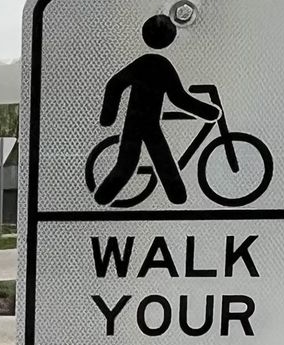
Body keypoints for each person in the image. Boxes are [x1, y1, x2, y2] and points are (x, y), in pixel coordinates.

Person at [94, 14, 220, 206]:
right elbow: (179, 98)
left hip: (139, 121)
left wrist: (109, 116)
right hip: (143, 122)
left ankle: (104, 197)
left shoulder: (145, 63)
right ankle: (175, 197)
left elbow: (115, 85)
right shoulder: (161, 66)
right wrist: (208, 112)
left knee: (138, 162)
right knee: (154, 161)